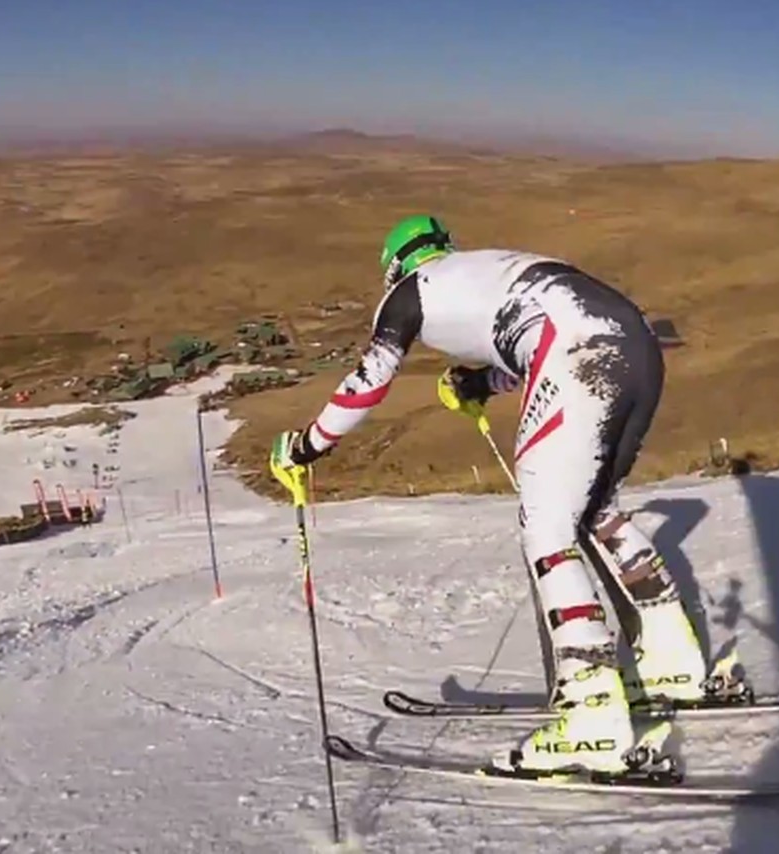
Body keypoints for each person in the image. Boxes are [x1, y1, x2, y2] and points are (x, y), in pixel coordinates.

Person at [269, 214, 709, 776]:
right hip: (636, 346)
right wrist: (478, 382)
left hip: (571, 353)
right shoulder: (488, 265)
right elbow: (532, 339)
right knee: (599, 513)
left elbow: (369, 383)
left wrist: (306, 445)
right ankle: (674, 665)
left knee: (549, 533)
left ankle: (591, 714)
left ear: (396, 265)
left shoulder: (408, 293)